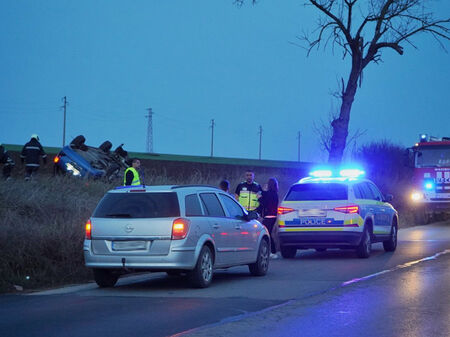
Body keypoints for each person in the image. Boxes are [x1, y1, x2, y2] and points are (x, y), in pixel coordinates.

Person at [258, 177, 280, 258]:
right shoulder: (275, 194)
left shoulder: (269, 193)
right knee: (269, 233)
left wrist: (259, 198)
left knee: (267, 234)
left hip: (268, 217)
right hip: (273, 216)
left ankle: (272, 251)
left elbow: (264, 202)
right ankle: (272, 251)